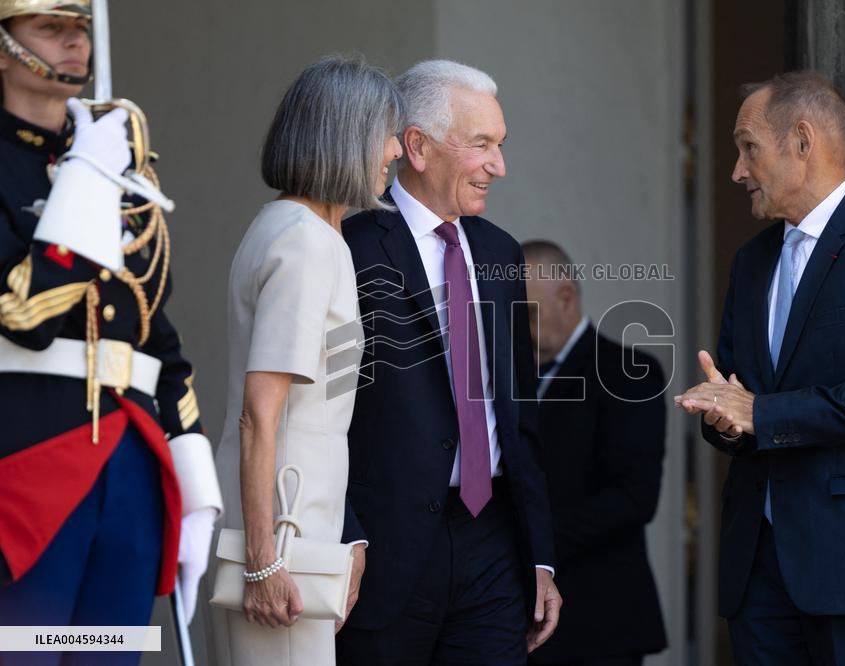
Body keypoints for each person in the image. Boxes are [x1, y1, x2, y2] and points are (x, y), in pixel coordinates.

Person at [675, 70, 845, 665]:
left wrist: (764, 413)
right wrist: (723, 418)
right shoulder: (750, 262)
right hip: (759, 572)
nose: (737, 170)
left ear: (802, 141)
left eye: (748, 147)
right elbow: (743, 402)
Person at [0, 1, 222, 663]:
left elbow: (156, 341)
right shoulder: (94, 170)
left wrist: (197, 491)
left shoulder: (122, 172)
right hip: (27, 472)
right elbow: (26, 315)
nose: (73, 42)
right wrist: (87, 180)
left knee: (106, 657)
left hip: (129, 476)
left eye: (81, 29)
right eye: (49, 28)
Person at [336, 59, 561, 665]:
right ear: (418, 147)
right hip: (386, 550)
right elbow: (318, 414)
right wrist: (346, 535)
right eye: (481, 145)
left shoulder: (500, 252)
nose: (499, 166)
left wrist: (539, 554)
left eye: (500, 145)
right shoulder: (349, 248)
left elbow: (521, 416)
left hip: (492, 546)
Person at [211, 56, 403, 666]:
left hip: (297, 529)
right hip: (281, 536)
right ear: (344, 138)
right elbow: (258, 416)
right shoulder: (305, 241)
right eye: (385, 133)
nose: (396, 150)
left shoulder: (291, 228)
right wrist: (263, 560)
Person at [522, 240, 668, 666]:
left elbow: (634, 498)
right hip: (524, 621)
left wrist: (533, 543)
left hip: (600, 619)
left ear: (565, 298)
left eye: (525, 309)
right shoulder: (509, 377)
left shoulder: (626, 372)